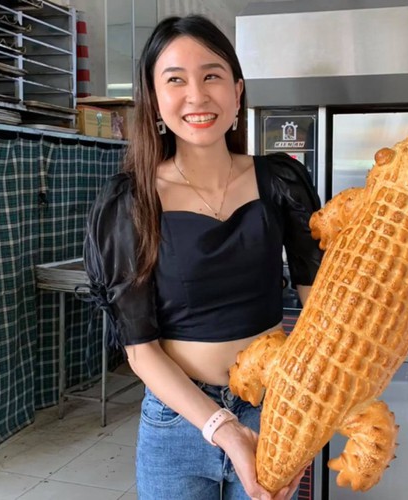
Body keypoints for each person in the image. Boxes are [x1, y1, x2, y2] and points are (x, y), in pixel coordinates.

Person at [83, 14, 321, 500]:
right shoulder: (131, 201)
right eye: (175, 79)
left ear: (237, 91)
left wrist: (303, 420)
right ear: (153, 99)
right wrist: (224, 429)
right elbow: (140, 349)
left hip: (272, 410)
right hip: (177, 423)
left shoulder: (281, 182)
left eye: (211, 75)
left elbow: (327, 312)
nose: (197, 95)